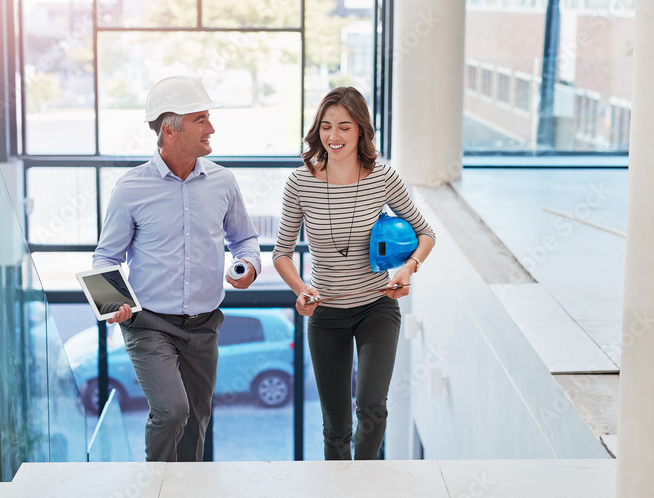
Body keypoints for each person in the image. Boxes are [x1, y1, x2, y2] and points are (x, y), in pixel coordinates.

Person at [93, 75, 260, 462]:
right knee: (173, 411)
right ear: (170, 129)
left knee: (197, 419)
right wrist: (111, 302)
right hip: (149, 324)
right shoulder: (131, 189)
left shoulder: (222, 181)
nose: (211, 128)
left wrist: (246, 265)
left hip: (205, 325)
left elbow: (245, 241)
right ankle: (155, 487)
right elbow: (106, 258)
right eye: (200, 118)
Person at [273, 87, 435, 460]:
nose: (334, 136)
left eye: (344, 127)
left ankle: (365, 485)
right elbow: (282, 253)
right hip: (326, 312)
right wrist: (301, 288)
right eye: (326, 126)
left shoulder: (382, 178)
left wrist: (408, 269)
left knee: (372, 407)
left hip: (376, 307)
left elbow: (426, 233)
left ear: (361, 130)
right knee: (335, 425)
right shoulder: (300, 182)